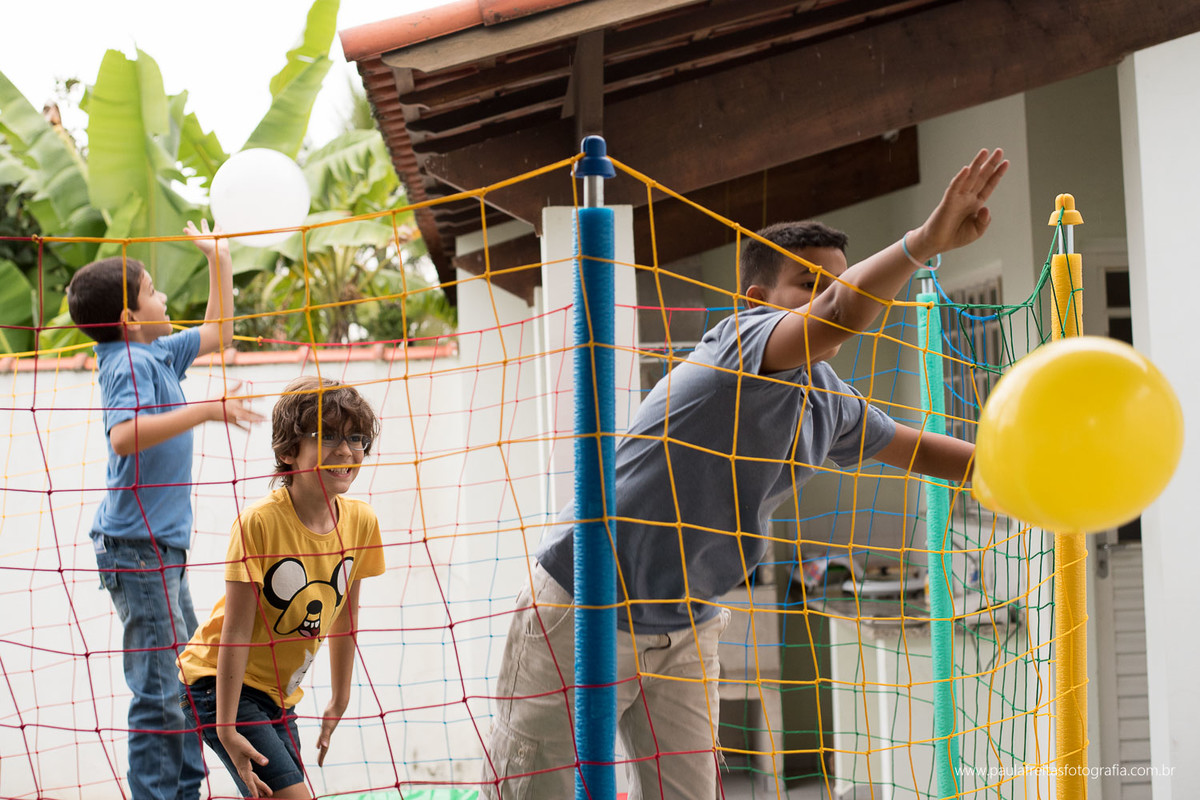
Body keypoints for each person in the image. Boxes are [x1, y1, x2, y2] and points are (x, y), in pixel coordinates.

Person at [479, 148, 1009, 799]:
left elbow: (927, 452)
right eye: (809, 284)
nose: (829, 295)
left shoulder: (829, 399)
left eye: (835, 280)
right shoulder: (739, 341)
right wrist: (925, 242)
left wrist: (1031, 477)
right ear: (759, 301)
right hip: (581, 608)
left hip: (685, 627)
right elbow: (844, 311)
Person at [67, 221, 263, 800]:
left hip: (160, 548)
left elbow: (219, 332)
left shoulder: (155, 353)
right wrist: (206, 411)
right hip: (136, 548)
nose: (163, 298)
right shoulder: (126, 362)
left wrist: (219, 260)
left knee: (181, 681)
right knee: (160, 690)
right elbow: (125, 436)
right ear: (130, 318)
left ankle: (183, 791)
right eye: (153, 291)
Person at [177, 376, 385, 799]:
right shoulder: (260, 524)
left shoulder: (362, 521)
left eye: (356, 438)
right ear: (288, 451)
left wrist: (339, 698)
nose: (346, 451)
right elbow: (234, 632)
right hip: (218, 683)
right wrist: (227, 729)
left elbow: (346, 614)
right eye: (327, 438)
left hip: (278, 694)